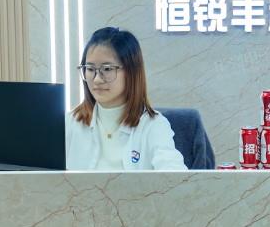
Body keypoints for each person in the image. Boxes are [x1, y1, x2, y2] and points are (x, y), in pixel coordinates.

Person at [66, 27, 187, 170]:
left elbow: (175, 176)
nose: (97, 79)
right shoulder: (69, 123)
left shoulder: (153, 126)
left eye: (107, 69)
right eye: (90, 69)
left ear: (131, 72)